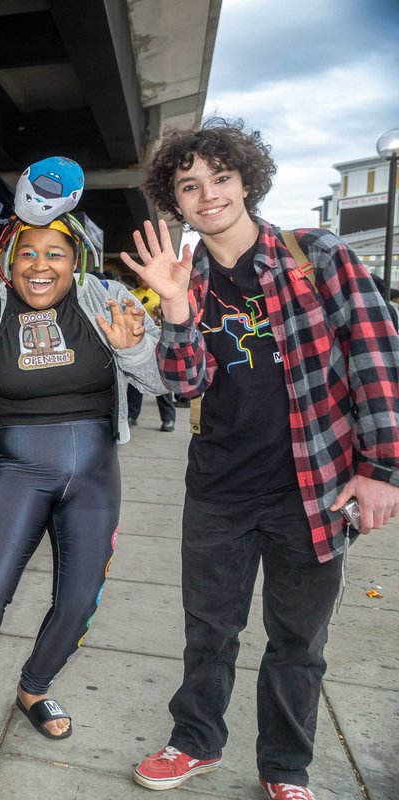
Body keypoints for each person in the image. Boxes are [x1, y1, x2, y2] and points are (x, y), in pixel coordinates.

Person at [123, 118, 399, 800]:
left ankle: (284, 769)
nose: (207, 194)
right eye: (190, 185)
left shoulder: (316, 255)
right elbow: (183, 384)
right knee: (209, 632)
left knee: (297, 642)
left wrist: (382, 468)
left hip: (315, 486)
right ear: (176, 200)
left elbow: (377, 361)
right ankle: (195, 742)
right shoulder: (188, 278)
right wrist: (176, 305)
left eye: (220, 177)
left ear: (246, 181)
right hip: (218, 488)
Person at [0, 156, 167, 777]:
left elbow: (157, 381)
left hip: (95, 475)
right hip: (17, 468)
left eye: (55, 255)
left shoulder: (108, 301)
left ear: (77, 261)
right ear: (8, 261)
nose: (40, 266)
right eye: (27, 255)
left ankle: (34, 686)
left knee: (79, 602)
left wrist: (137, 348)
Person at [127, 278, 177, 431]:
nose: (143, 280)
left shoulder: (161, 295)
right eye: (140, 277)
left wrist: (162, 314)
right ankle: (132, 415)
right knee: (135, 378)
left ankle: (168, 418)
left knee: (162, 379)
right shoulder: (130, 295)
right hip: (138, 342)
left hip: (160, 341)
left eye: (145, 277)